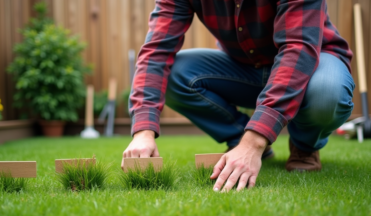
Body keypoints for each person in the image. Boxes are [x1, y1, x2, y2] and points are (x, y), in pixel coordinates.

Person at [122, 0, 355, 192]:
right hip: (245, 68)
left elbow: (298, 49)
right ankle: (239, 140)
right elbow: (156, 51)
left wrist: (255, 140)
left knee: (328, 92)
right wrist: (143, 131)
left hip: (311, 64)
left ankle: (305, 145)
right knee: (174, 75)